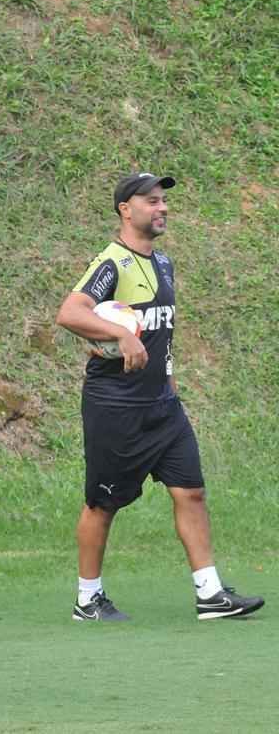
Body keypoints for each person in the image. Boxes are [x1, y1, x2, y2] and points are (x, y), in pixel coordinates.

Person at [56, 172, 264, 622]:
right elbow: (70, 312)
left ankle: (210, 593)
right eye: (151, 201)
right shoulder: (112, 262)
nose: (162, 207)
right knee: (102, 503)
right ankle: (88, 600)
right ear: (125, 210)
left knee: (191, 491)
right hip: (115, 406)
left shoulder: (164, 263)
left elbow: (161, 332)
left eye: (163, 200)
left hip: (163, 407)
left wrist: (168, 384)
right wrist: (119, 335)